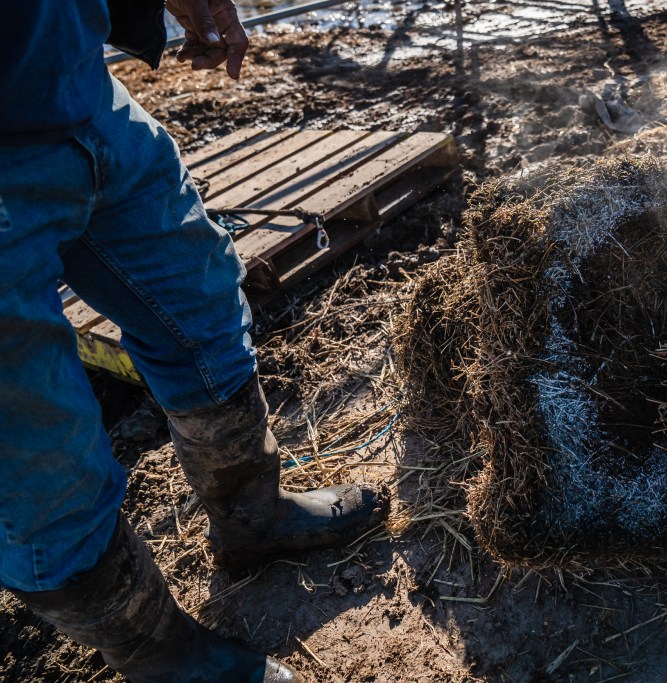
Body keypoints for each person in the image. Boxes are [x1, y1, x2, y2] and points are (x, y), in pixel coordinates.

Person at [0, 2, 388, 681]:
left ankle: (251, 515)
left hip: (74, 84)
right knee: (38, 454)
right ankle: (166, 656)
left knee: (198, 297)